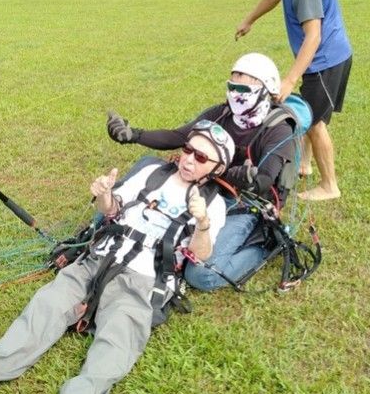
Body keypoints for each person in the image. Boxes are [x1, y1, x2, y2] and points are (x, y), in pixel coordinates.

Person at [0, 121, 233, 394]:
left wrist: (202, 222)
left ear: (217, 167)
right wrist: (105, 195)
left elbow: (201, 255)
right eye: (188, 150)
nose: (189, 159)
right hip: (95, 261)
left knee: (117, 340)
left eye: (201, 158)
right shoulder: (151, 170)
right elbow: (112, 211)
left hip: (141, 282)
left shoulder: (213, 205)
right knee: (47, 304)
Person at [106, 52, 303, 291]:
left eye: (244, 88)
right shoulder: (221, 114)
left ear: (266, 89)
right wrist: (133, 135)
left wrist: (236, 175)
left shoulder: (279, 129)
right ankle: (108, 218)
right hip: (206, 188)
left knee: (200, 275)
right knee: (149, 164)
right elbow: (180, 136)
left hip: (245, 205)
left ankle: (264, 246)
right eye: (232, 86)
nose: (236, 94)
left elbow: (263, 180)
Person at [236, 0, 353, 202]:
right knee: (311, 116)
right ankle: (304, 165)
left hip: (325, 60)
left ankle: (330, 186)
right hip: (326, 58)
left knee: (314, 123)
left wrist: (290, 79)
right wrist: (250, 19)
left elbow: (313, 35)